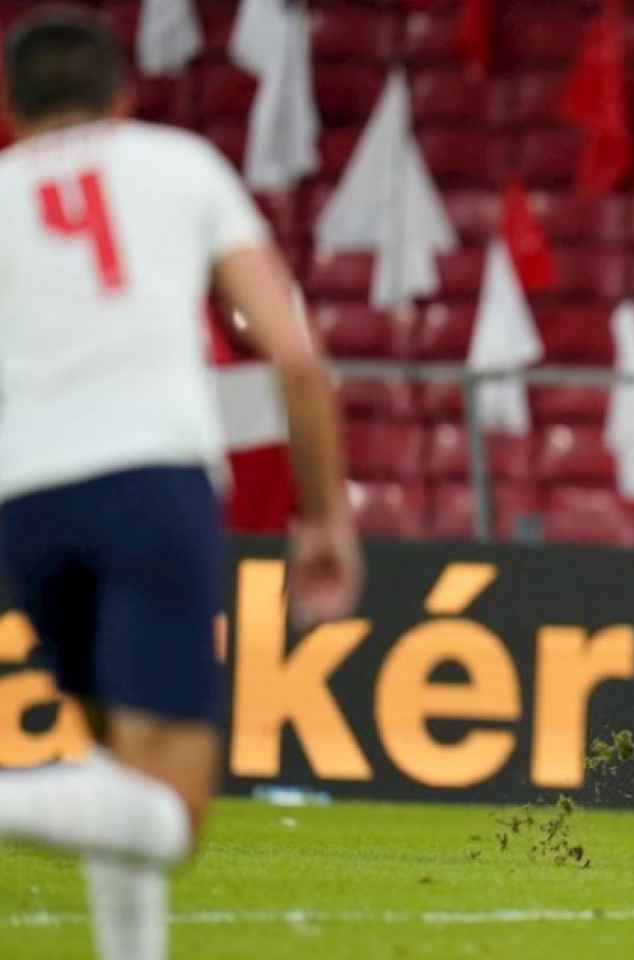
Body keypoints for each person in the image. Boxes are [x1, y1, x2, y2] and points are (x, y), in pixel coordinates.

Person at [0, 10, 361, 959]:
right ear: (125, 93)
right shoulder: (179, 163)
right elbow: (290, 351)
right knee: (173, 809)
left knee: (114, 766)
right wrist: (322, 514)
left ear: (10, 110)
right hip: (151, 484)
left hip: (26, 502)